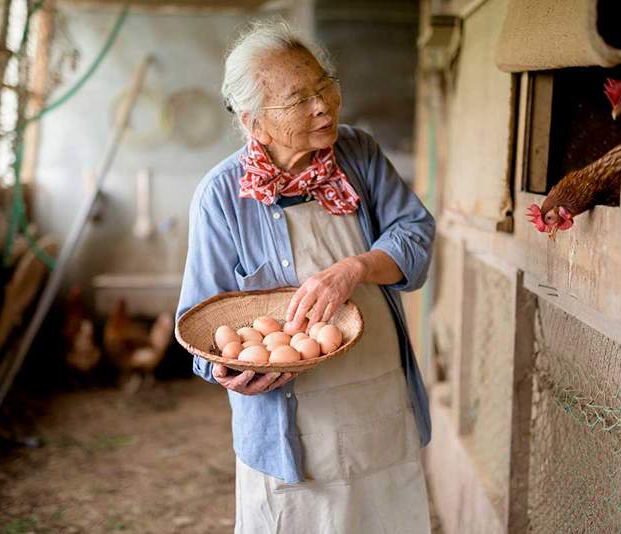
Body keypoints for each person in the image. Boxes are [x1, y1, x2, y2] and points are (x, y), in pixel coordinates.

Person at [176, 21, 435, 534]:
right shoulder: (222, 195)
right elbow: (198, 321)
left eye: (325, 85)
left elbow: (416, 233)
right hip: (290, 429)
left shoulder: (357, 154)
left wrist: (354, 267)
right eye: (300, 99)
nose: (324, 105)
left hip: (377, 402)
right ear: (254, 123)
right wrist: (229, 371)